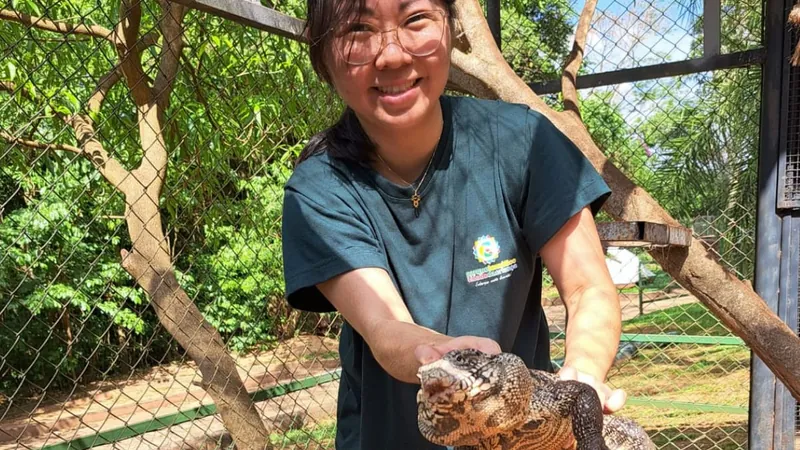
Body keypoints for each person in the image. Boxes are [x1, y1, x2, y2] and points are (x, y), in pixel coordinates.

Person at [281, 0, 625, 448]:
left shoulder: (525, 142)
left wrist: (582, 372)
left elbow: (587, 289)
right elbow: (386, 327)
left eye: (415, 19)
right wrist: (442, 358)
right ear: (323, 52)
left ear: (451, 25)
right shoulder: (318, 188)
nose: (392, 54)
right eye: (359, 30)